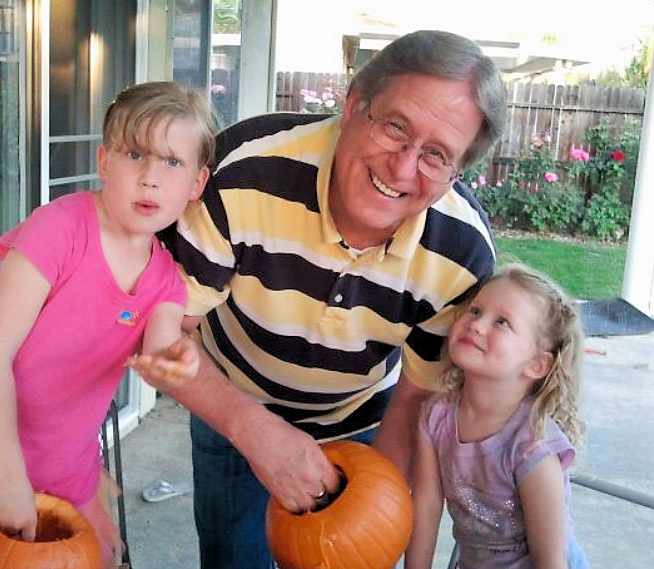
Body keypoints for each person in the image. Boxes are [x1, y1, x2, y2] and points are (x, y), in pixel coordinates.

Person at [164, 29, 507, 568]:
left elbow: (414, 397)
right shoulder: (242, 169)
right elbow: (162, 331)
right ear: (353, 105)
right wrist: (250, 428)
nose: (402, 168)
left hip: (361, 423)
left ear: (455, 173)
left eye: (436, 154)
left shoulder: (463, 255)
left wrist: (371, 501)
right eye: (396, 127)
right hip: (228, 403)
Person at [0, 81, 214, 569]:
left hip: (61, 470)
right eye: (134, 154)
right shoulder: (59, 229)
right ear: (104, 161)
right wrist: (8, 479)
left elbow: (162, 348)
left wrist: (176, 361)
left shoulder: (165, 280)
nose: (150, 178)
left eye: (172, 162)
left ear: (196, 184)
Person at [405, 263, 589, 568]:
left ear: (537, 365)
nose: (476, 325)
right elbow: (426, 506)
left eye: (502, 322)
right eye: (475, 311)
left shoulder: (534, 446)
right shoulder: (436, 416)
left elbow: (549, 560)